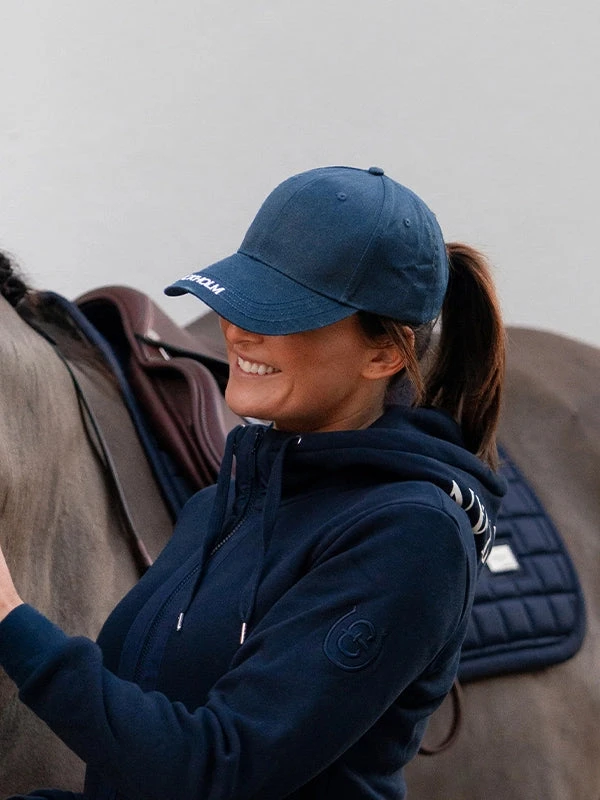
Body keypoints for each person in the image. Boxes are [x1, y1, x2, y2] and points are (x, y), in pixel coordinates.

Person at [0, 165, 506, 800]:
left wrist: (11, 620)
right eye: (242, 298)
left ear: (383, 353)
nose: (239, 330)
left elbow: (217, 769)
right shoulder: (219, 506)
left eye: (283, 312)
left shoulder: (411, 535)